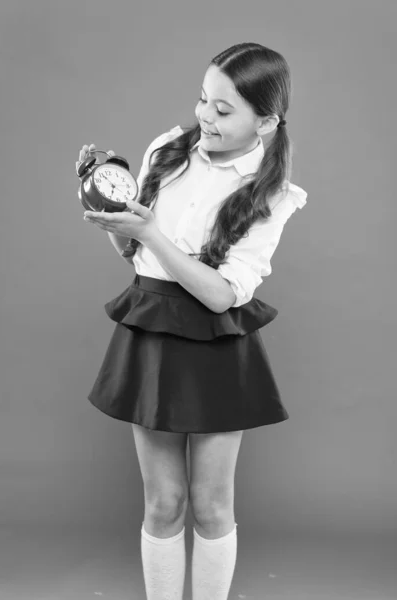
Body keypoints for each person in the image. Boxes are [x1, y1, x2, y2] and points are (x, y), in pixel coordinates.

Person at [76, 42, 307, 600]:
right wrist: (107, 200)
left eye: (224, 110)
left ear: (266, 121)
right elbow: (137, 256)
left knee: (210, 505)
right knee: (163, 501)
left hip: (216, 338)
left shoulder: (271, 193)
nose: (205, 116)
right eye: (204, 99)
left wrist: (151, 232)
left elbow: (223, 295)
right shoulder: (166, 150)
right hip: (151, 326)